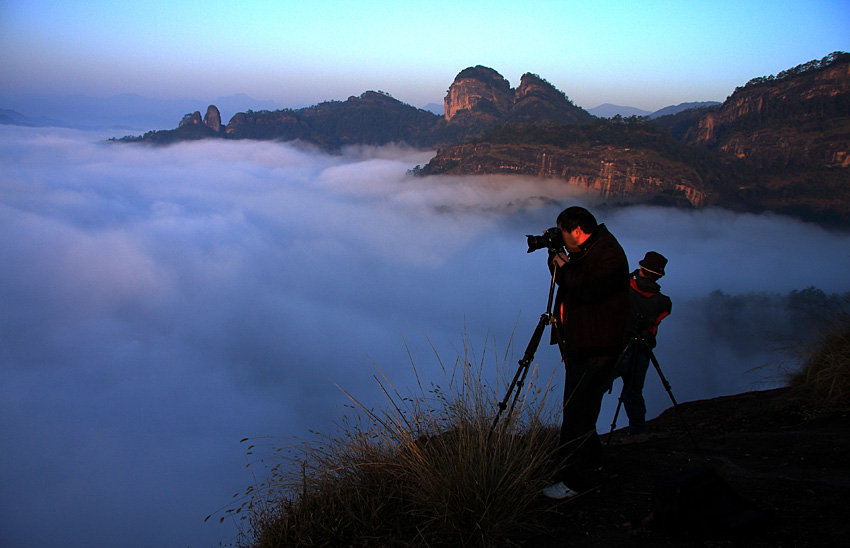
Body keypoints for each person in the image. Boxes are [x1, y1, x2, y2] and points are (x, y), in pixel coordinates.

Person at [542, 206, 630, 500]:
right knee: (586, 410)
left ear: (577, 231)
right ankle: (592, 464)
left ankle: (574, 481)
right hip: (586, 342)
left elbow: (588, 289)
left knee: (577, 413)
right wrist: (556, 259)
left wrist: (566, 267)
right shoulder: (592, 248)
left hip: (595, 347)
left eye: (564, 233)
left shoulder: (608, 254)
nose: (564, 239)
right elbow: (569, 282)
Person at [614, 251, 672, 442]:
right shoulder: (663, 302)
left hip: (619, 348)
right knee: (634, 393)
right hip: (642, 351)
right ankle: (637, 433)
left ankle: (585, 433)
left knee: (597, 386)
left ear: (641, 268)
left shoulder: (624, 288)